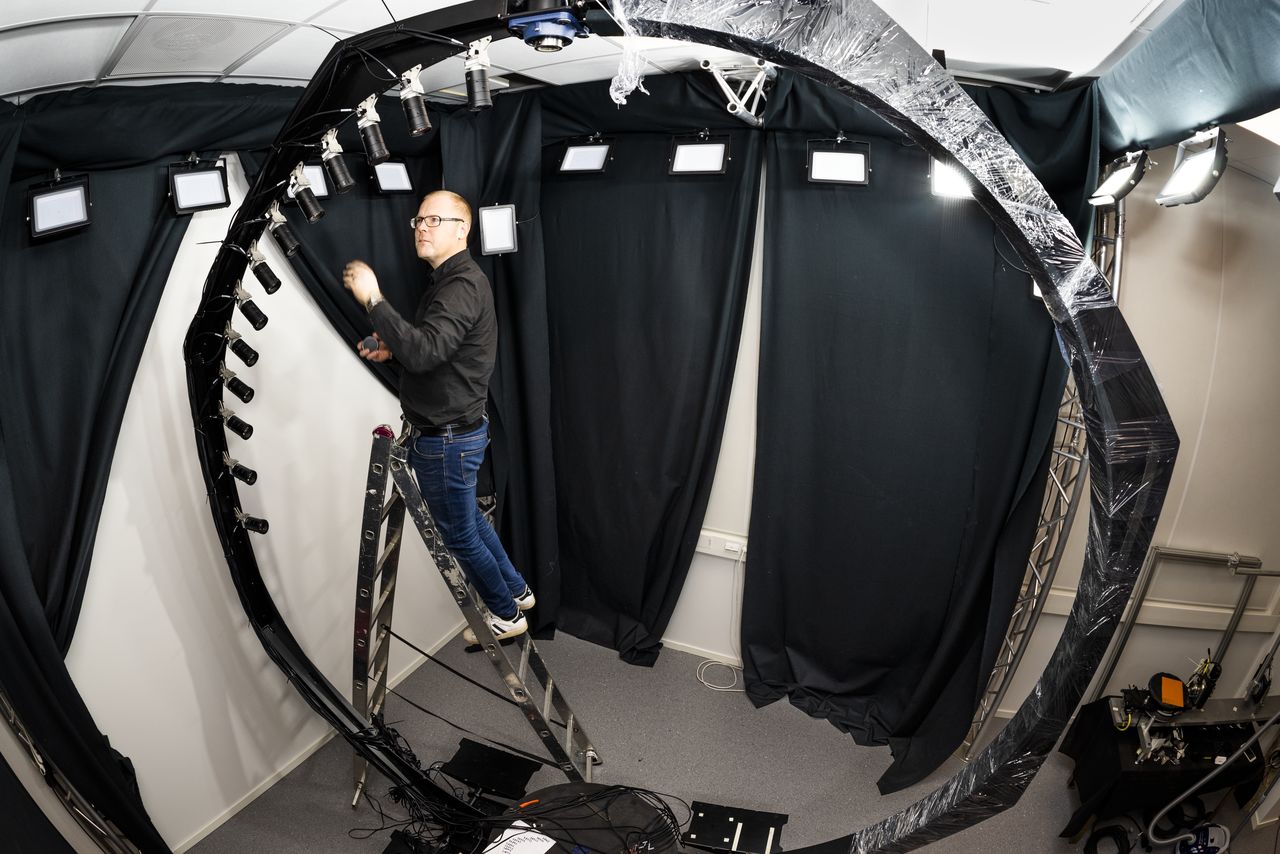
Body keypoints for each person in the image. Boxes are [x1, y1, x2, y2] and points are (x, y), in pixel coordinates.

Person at [342, 190, 532, 642]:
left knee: (459, 534)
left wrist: (373, 300)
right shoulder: (450, 281)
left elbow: (426, 352)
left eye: (435, 220)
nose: (422, 227)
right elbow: (436, 349)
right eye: (419, 220)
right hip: (457, 431)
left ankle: (507, 614)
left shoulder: (461, 285)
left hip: (446, 440)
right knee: (468, 523)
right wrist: (393, 351)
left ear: (462, 230)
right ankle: (518, 591)